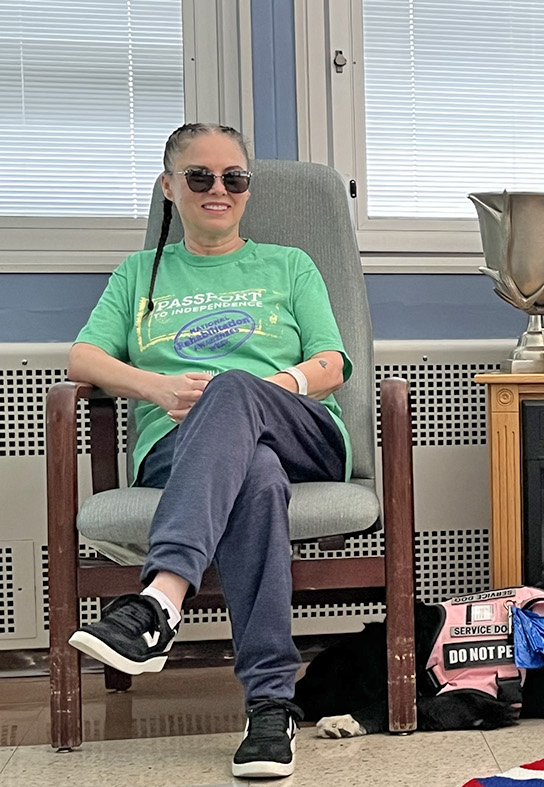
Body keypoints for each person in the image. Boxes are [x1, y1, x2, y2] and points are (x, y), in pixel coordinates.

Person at [65, 123, 352, 779]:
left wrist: (253, 392)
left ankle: (161, 599)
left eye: (234, 177)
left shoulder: (289, 263)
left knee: (235, 398)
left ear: (247, 189)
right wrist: (156, 386)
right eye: (200, 177)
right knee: (253, 474)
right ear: (170, 188)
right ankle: (271, 710)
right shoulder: (140, 273)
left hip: (299, 425)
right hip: (182, 447)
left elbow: (333, 363)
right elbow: (84, 356)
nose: (218, 189)